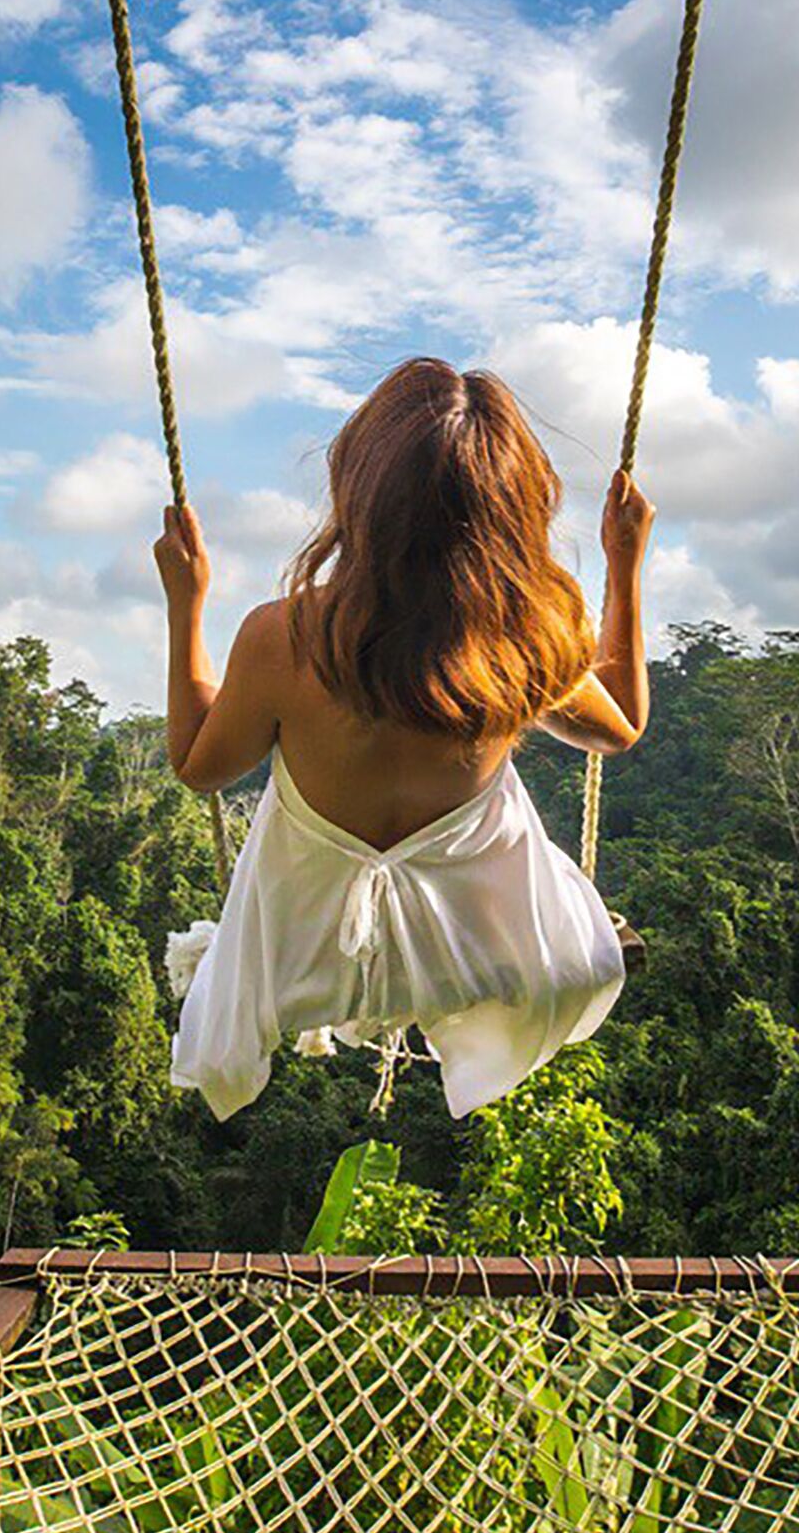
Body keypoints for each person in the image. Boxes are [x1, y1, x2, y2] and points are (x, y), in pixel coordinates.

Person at [154, 355, 654, 1121]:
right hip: (482, 952)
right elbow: (617, 725)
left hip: (303, 958)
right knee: (579, 949)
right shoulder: (523, 637)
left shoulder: (283, 638)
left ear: (359, 492)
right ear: (513, 510)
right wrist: (625, 566)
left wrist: (185, 604)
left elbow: (198, 765)